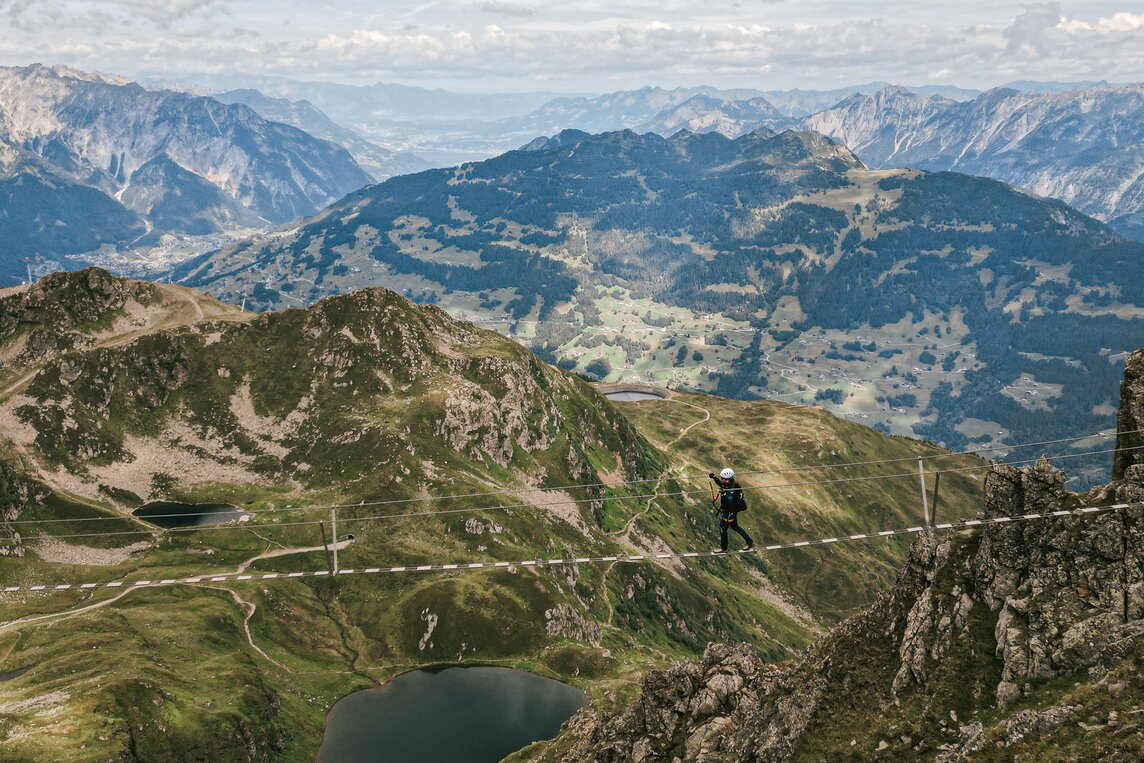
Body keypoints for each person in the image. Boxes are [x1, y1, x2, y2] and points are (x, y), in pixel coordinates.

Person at [708, 467, 754, 554]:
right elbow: (721, 484)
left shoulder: (732, 490)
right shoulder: (730, 484)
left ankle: (723, 548)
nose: (721, 479)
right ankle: (750, 542)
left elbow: (729, 501)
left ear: (727, 479)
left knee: (723, 528)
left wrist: (723, 493)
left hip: (729, 512)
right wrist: (714, 477)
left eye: (722, 478)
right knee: (735, 527)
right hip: (732, 511)